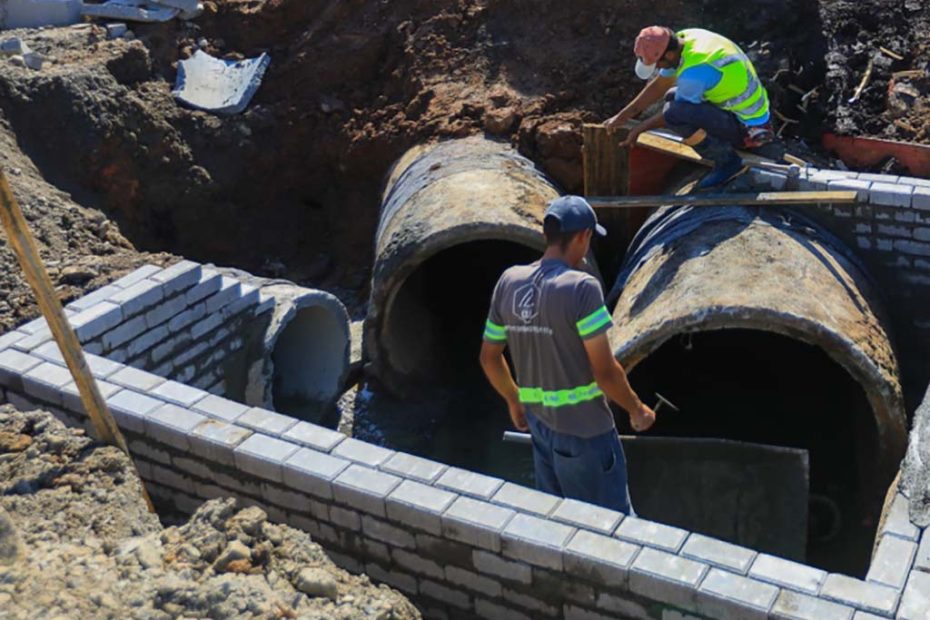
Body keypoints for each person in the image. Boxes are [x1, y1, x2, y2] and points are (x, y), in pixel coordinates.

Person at [479, 195, 656, 514]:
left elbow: (489, 358)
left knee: (559, 520)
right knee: (610, 527)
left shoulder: (509, 281)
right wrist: (637, 409)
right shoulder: (582, 288)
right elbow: (605, 372)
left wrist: (513, 397)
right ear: (583, 236)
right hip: (587, 433)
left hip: (541, 427)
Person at [605, 26, 775, 190]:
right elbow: (660, 85)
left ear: (669, 55)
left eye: (657, 65)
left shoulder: (694, 72)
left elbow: (670, 115)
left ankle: (727, 162)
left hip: (749, 129)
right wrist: (623, 116)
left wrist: (638, 129)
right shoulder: (686, 38)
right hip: (738, 109)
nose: (657, 69)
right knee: (671, 96)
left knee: (674, 113)